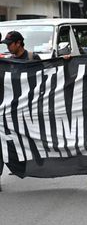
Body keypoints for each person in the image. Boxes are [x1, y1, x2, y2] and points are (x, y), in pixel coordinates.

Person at [0, 31, 41, 191]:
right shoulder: (7, 62)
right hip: (8, 110)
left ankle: (28, 163)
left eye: (9, 44)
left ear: (18, 43)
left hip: (28, 109)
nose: (8, 47)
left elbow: (48, 75)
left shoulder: (32, 58)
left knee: (28, 139)